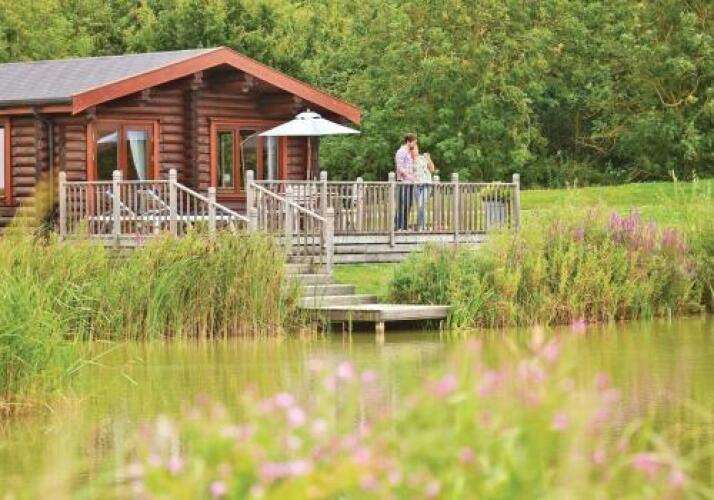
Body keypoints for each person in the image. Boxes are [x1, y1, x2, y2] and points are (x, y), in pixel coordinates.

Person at [394, 133, 417, 230]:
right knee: (403, 204)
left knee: (409, 204)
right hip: (403, 182)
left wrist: (413, 177)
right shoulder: (401, 152)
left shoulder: (409, 152)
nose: (414, 145)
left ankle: (403, 225)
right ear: (408, 142)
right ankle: (399, 225)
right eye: (414, 143)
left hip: (410, 182)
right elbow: (399, 167)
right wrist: (409, 176)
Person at [411, 144, 435, 230]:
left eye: (416, 148)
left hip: (426, 184)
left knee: (421, 203)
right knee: (419, 205)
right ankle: (420, 225)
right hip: (416, 185)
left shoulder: (423, 158)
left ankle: (422, 225)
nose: (415, 150)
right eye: (413, 149)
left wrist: (429, 159)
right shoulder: (409, 160)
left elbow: (432, 169)